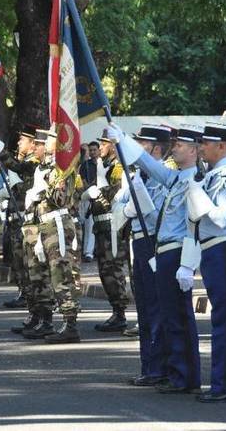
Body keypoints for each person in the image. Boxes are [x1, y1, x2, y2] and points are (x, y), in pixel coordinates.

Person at [108, 123, 203, 395]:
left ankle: (182, 375)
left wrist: (187, 263)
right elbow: (151, 165)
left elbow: (192, 226)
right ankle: (176, 374)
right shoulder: (177, 178)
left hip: (174, 252)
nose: (175, 148)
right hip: (162, 250)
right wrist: (123, 139)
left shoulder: (193, 179)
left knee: (176, 317)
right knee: (169, 316)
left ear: (194, 151)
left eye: (181, 145)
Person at [185, 122, 226, 403]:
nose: (201, 148)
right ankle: (222, 382)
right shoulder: (216, 173)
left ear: (221, 146)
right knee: (220, 320)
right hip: (214, 250)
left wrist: (199, 197)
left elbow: (223, 218)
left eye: (206, 143)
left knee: (225, 321)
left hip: (224, 249)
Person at [113, 125, 171, 386]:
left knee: (157, 306)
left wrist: (139, 208)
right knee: (145, 307)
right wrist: (127, 208)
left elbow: (161, 210)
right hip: (137, 241)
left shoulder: (164, 174)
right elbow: (119, 202)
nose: (137, 148)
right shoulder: (136, 175)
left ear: (156, 148)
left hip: (154, 242)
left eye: (143, 144)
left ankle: (159, 366)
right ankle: (148, 365)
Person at [23, 131, 83, 343]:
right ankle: (45, 320)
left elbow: (61, 198)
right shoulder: (43, 168)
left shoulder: (63, 167)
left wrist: (43, 190)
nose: (39, 145)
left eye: (44, 141)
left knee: (61, 274)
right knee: (40, 275)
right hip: (41, 224)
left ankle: (70, 324)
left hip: (56, 224)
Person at [88, 131, 130, 332]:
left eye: (104, 144)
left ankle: (120, 312)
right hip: (101, 227)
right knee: (105, 272)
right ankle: (116, 310)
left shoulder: (118, 167)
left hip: (114, 227)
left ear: (112, 146)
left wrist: (99, 192)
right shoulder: (103, 166)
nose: (100, 147)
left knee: (114, 270)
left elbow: (119, 191)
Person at [0, 124, 39, 309]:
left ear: (32, 144)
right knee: (17, 259)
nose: (19, 142)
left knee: (25, 260)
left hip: (26, 218)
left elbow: (17, 166)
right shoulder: (26, 161)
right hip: (16, 217)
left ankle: (30, 295)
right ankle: (24, 292)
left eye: (22, 140)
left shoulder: (33, 163)